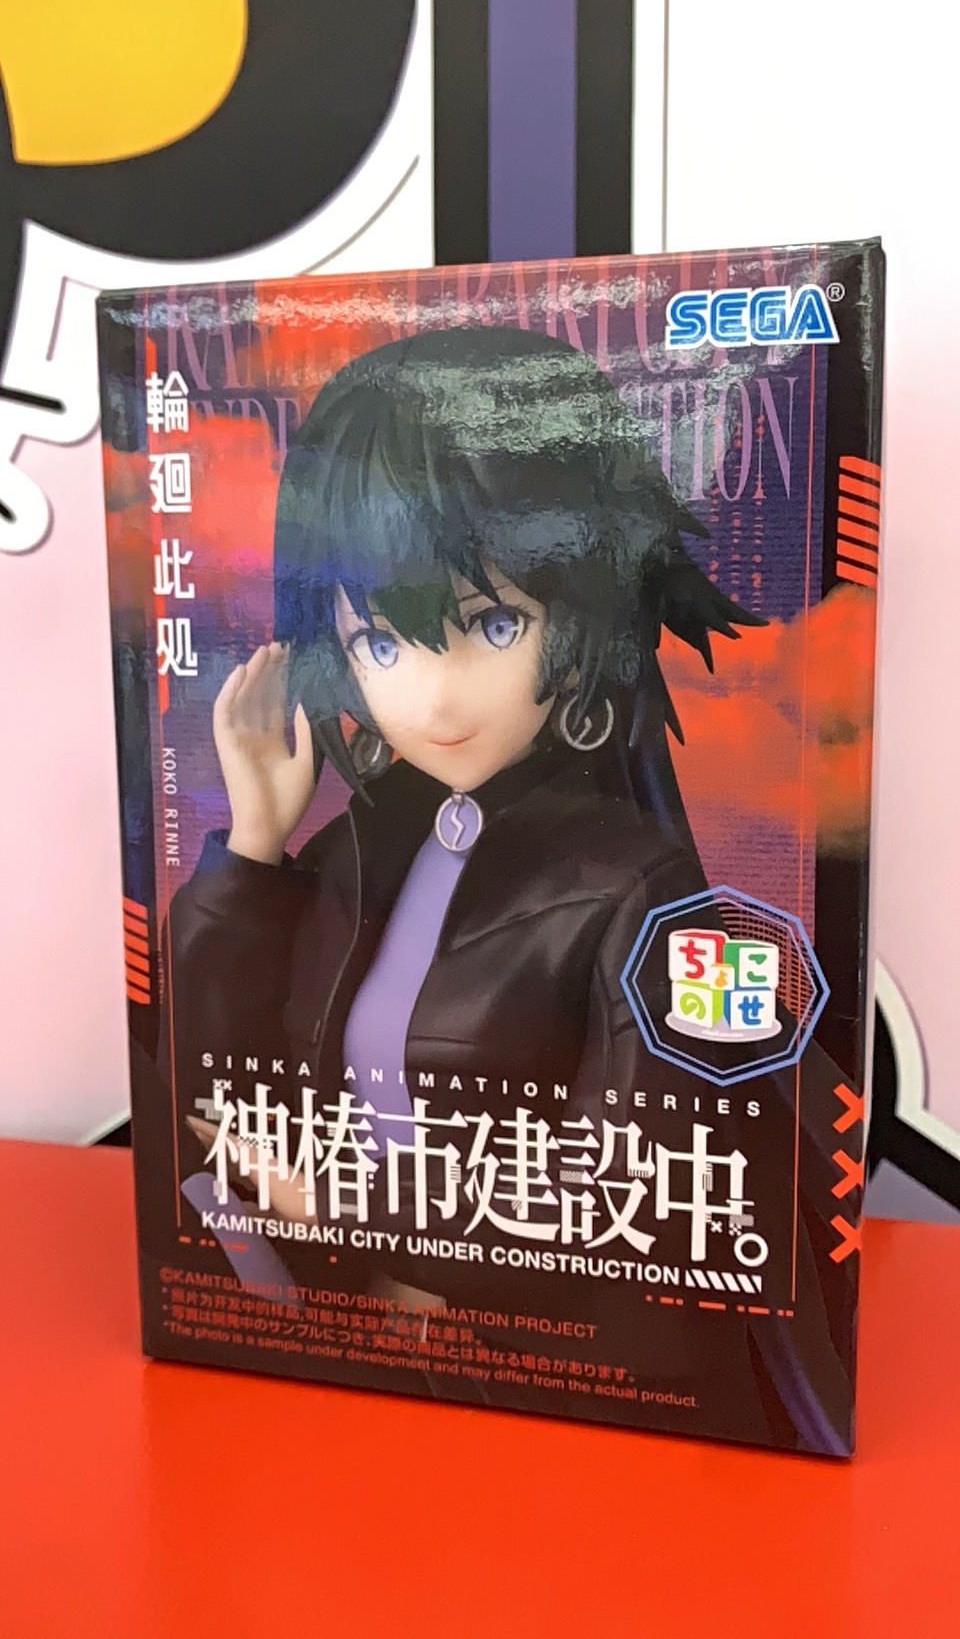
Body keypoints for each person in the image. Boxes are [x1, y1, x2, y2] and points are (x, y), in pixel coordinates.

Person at [169, 326, 850, 1449]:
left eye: (494, 624)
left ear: (585, 615)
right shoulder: (361, 851)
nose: (436, 698)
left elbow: (651, 1199)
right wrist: (252, 846)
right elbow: (207, 1101)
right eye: (382, 641)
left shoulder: (647, 895)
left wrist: (345, 1205)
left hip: (558, 1399)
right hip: (354, 1368)